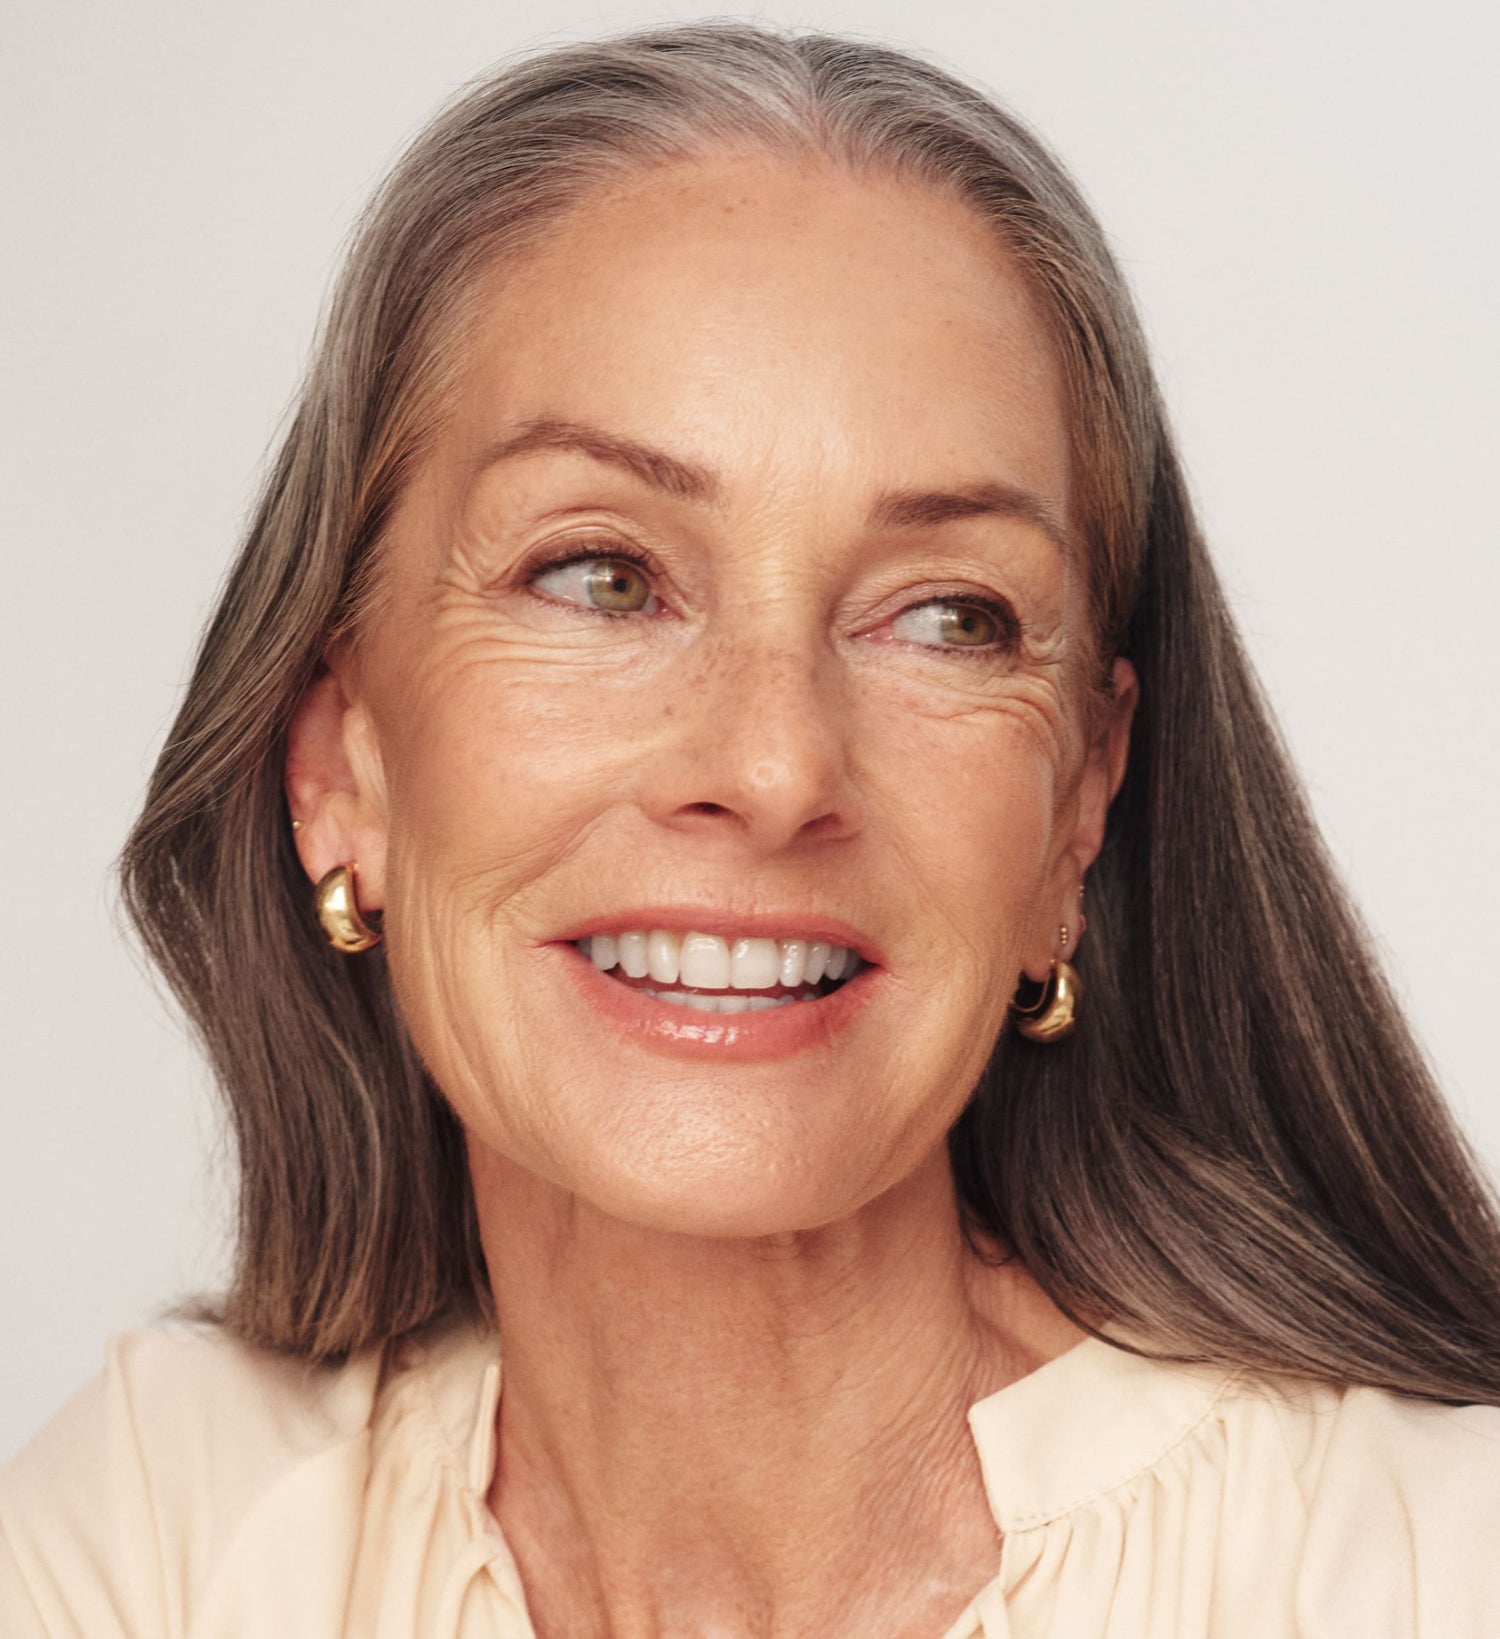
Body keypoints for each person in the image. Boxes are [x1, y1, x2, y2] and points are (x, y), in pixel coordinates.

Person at [3, 20, 1498, 1638]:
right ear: (338, 765)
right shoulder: (165, 1534)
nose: (777, 766)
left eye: (948, 617)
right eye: (601, 576)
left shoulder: (1431, 1568)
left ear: (1082, 803)